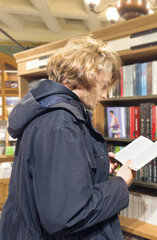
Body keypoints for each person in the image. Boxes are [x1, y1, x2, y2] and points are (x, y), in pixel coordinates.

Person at [0, 35, 136, 239]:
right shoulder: (60, 122)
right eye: (104, 85)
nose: (106, 95)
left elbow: (50, 178)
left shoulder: (47, 112)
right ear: (86, 76)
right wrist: (121, 183)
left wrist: (94, 162)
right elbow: (68, 215)